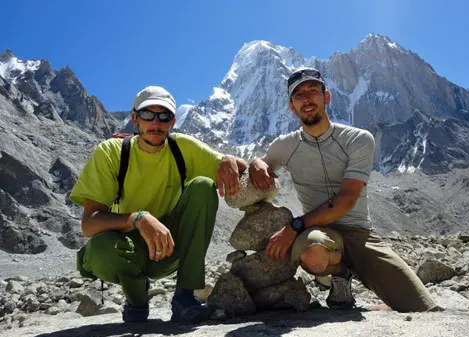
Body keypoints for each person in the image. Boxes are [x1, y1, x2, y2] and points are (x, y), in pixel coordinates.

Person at [249, 68, 439, 312]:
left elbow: (346, 199)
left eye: (313, 91)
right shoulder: (286, 145)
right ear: (291, 106)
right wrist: (256, 162)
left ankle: (373, 293)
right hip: (319, 232)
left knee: (424, 308)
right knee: (313, 251)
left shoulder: (358, 139)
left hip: (360, 234)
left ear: (326, 97)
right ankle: (340, 275)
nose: (306, 99)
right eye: (298, 95)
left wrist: (293, 227)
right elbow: (264, 163)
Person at [70, 86, 246, 323]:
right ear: (135, 119)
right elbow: (89, 225)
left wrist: (233, 159)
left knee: (203, 186)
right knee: (101, 249)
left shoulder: (183, 148)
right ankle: (136, 300)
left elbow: (233, 168)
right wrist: (138, 218)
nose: (155, 122)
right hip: (129, 247)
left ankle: (185, 297)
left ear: (172, 122)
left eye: (163, 116)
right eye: (147, 115)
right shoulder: (111, 153)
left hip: (168, 247)